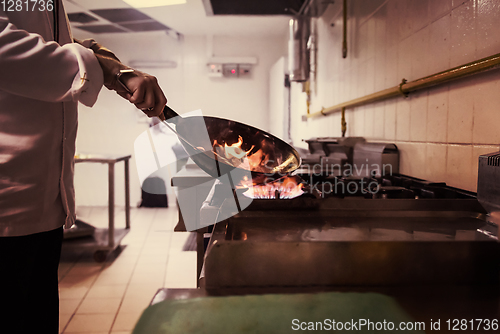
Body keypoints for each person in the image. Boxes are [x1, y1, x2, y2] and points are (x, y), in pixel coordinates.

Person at [0, 1, 166, 333]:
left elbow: (53, 49)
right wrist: (97, 67)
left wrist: (104, 61)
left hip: (45, 202)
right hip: (7, 204)